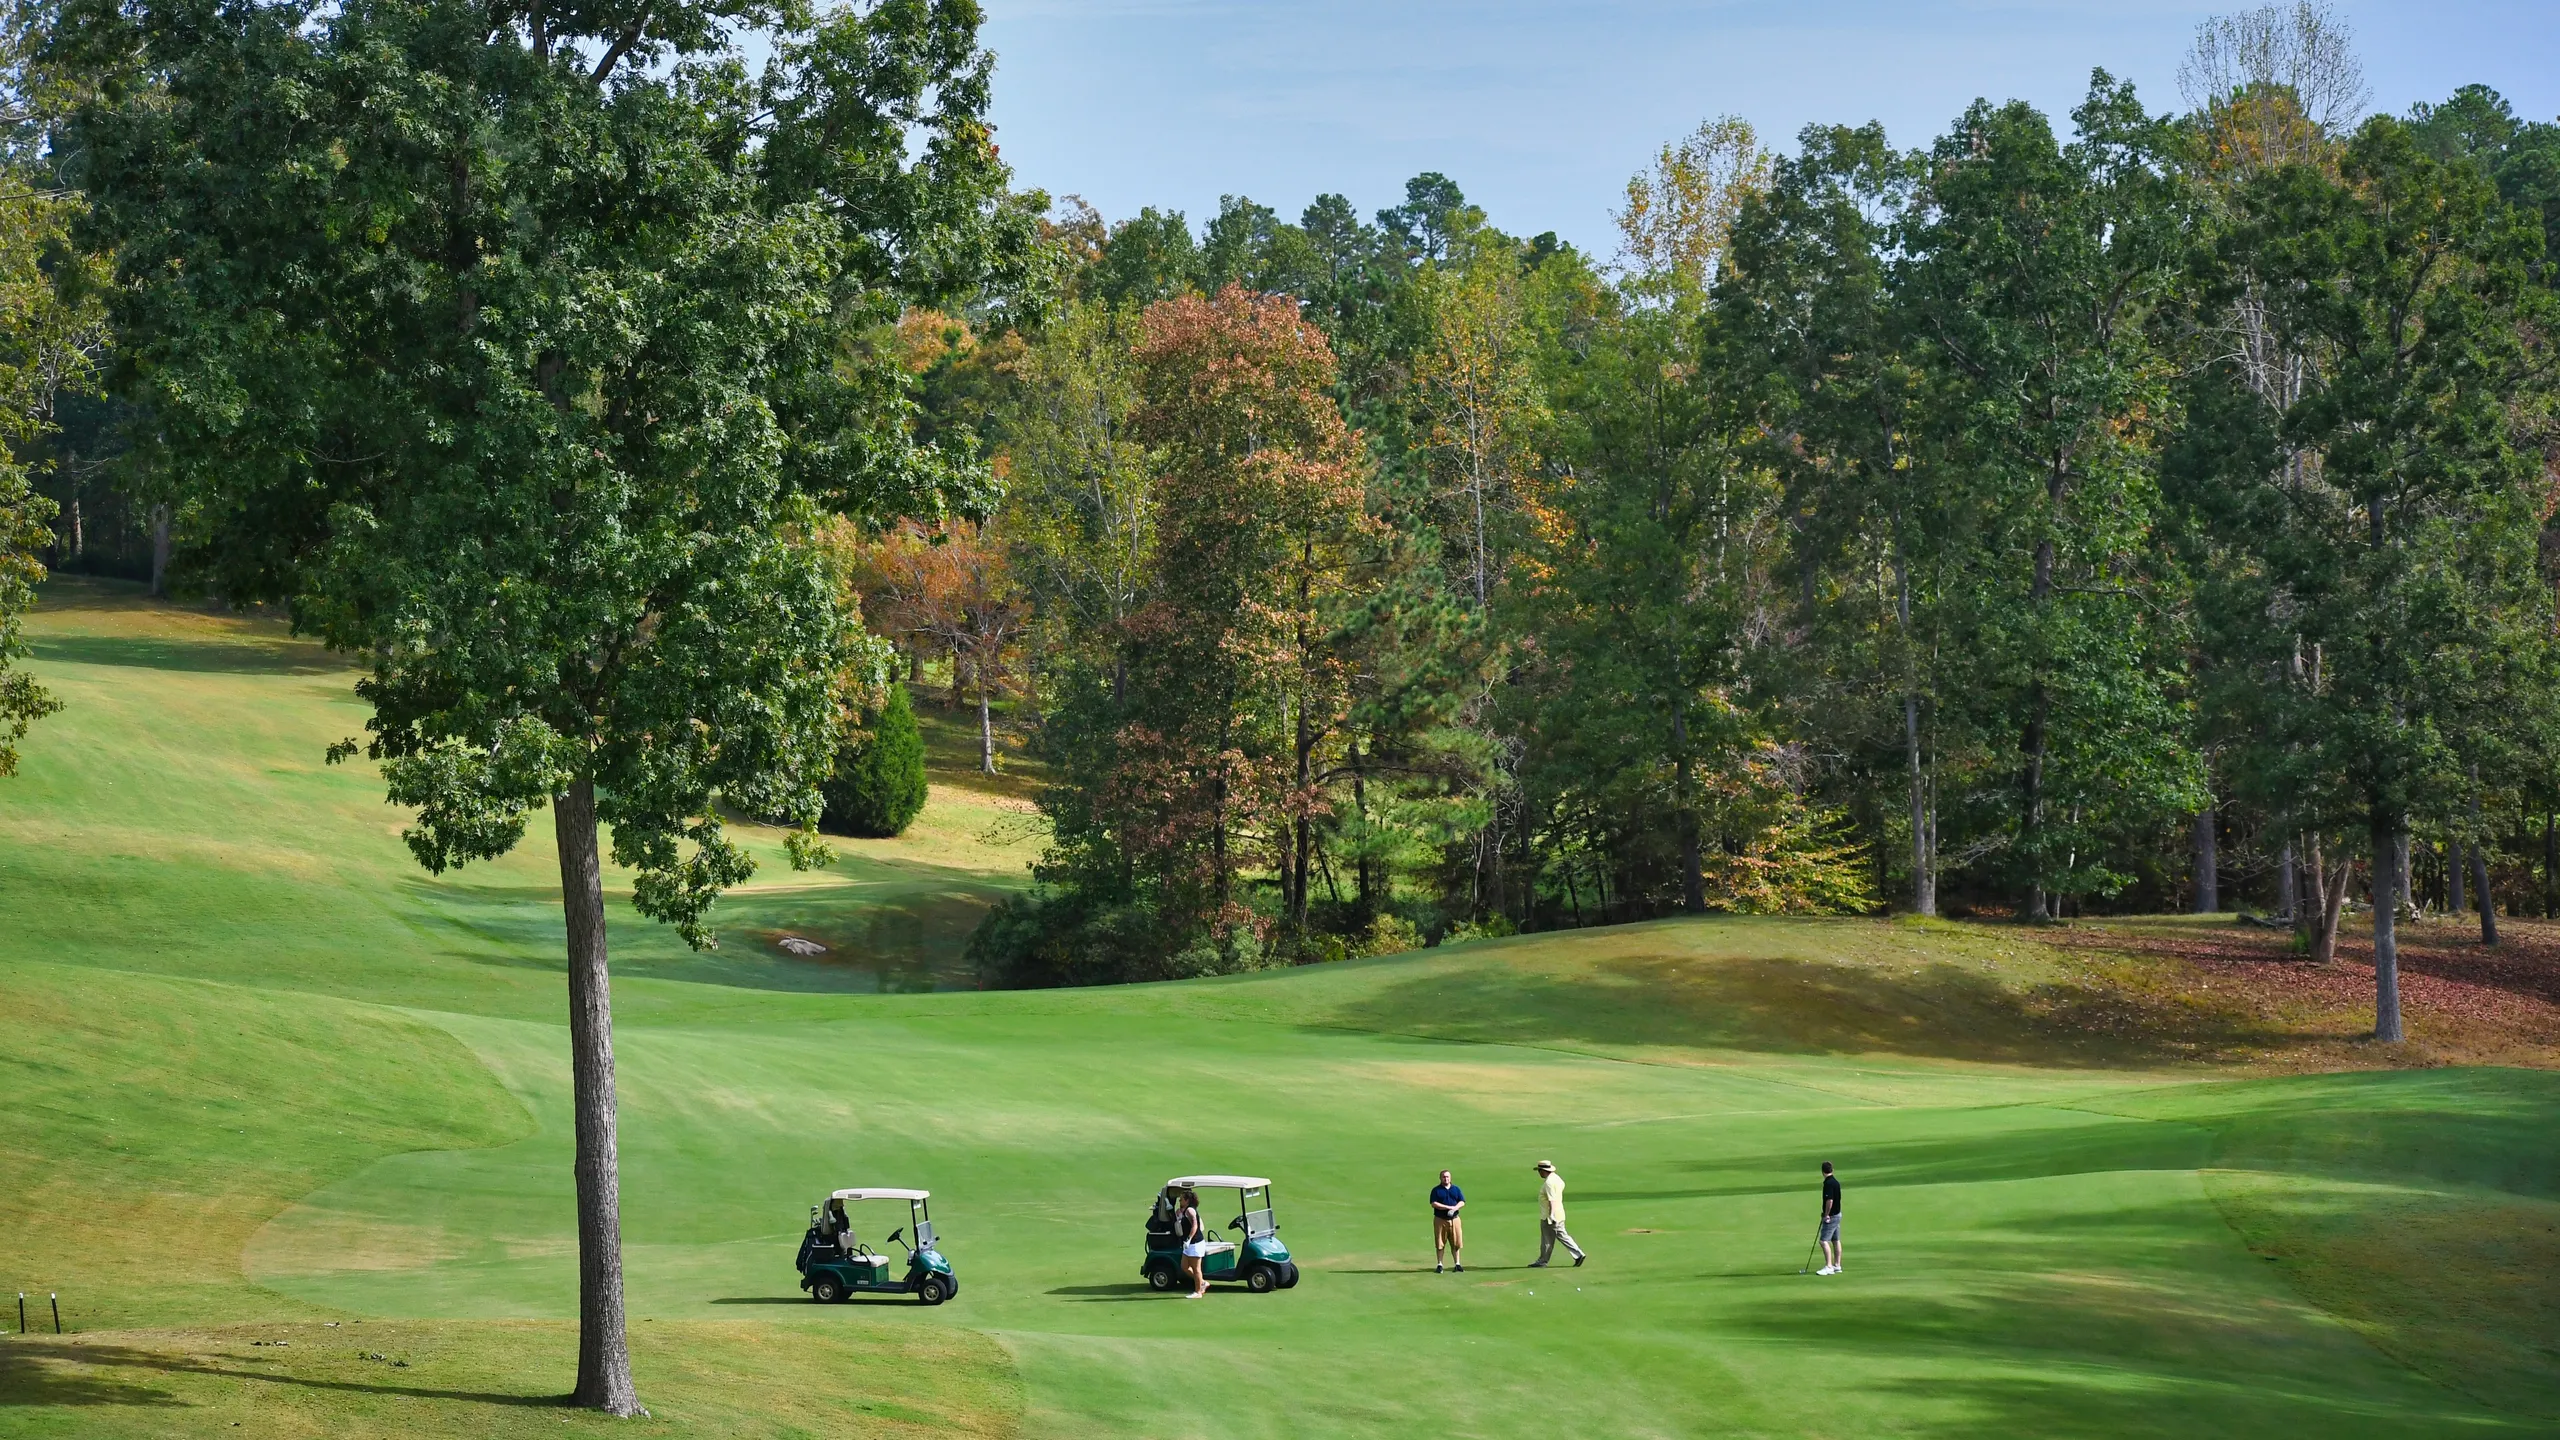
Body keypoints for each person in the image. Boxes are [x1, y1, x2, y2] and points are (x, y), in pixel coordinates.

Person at [1529, 1160, 1584, 1268]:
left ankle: (1543, 1261)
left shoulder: (1549, 1183)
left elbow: (1552, 1200)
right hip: (1559, 1213)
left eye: (1539, 1170)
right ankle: (1578, 1254)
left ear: (1543, 1171)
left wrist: (1551, 1215)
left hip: (1550, 1215)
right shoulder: (1556, 1178)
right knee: (1561, 1235)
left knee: (1547, 1239)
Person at [1175, 1188, 1210, 1298]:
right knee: (1184, 1266)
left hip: (1195, 1243)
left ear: (1187, 1200)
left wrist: (1189, 1238)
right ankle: (1203, 1283)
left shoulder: (1190, 1210)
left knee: (1196, 1269)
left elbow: (1195, 1225)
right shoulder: (1184, 1210)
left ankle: (1198, 1292)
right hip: (1188, 1244)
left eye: (1181, 1200)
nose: (1179, 1201)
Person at [1429, 1170, 1466, 1273]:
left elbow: (1462, 1201)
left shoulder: (1456, 1189)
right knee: (1440, 1242)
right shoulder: (1436, 1190)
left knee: (1456, 1243)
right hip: (1440, 1220)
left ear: (1450, 1178)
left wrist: (1454, 1208)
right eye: (1444, 1177)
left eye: (1447, 1177)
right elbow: (1434, 1203)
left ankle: (1457, 1264)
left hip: (1455, 1219)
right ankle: (1440, 1264)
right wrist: (1447, 1207)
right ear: (1440, 1178)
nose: (1446, 1179)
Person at [1816, 1161, 1843, 1276]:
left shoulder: (1828, 1184)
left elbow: (1829, 1200)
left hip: (1831, 1216)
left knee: (1823, 1241)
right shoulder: (1836, 1182)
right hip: (1838, 1214)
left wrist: (1826, 1214)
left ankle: (1829, 1266)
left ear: (1822, 1171)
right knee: (1835, 1240)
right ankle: (1837, 1265)